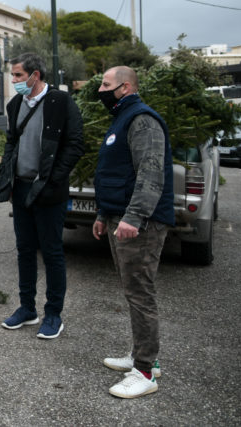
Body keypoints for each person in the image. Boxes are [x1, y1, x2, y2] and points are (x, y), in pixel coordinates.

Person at [91, 65, 173, 399]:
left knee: (141, 293)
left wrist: (133, 217)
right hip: (117, 217)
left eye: (106, 84)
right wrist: (103, 214)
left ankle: (145, 371)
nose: (100, 89)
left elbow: (150, 174)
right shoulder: (123, 117)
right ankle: (140, 355)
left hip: (142, 224)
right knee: (132, 292)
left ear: (125, 87)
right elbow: (116, 170)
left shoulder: (142, 119)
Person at [0, 53, 84, 340]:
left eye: (19, 75)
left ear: (35, 75)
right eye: (14, 76)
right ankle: (27, 308)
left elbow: (75, 143)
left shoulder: (60, 102)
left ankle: (54, 314)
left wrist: (53, 178)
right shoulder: (15, 104)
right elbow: (11, 142)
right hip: (20, 189)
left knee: (53, 251)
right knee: (24, 250)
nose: (15, 81)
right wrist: (6, 176)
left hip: (48, 190)